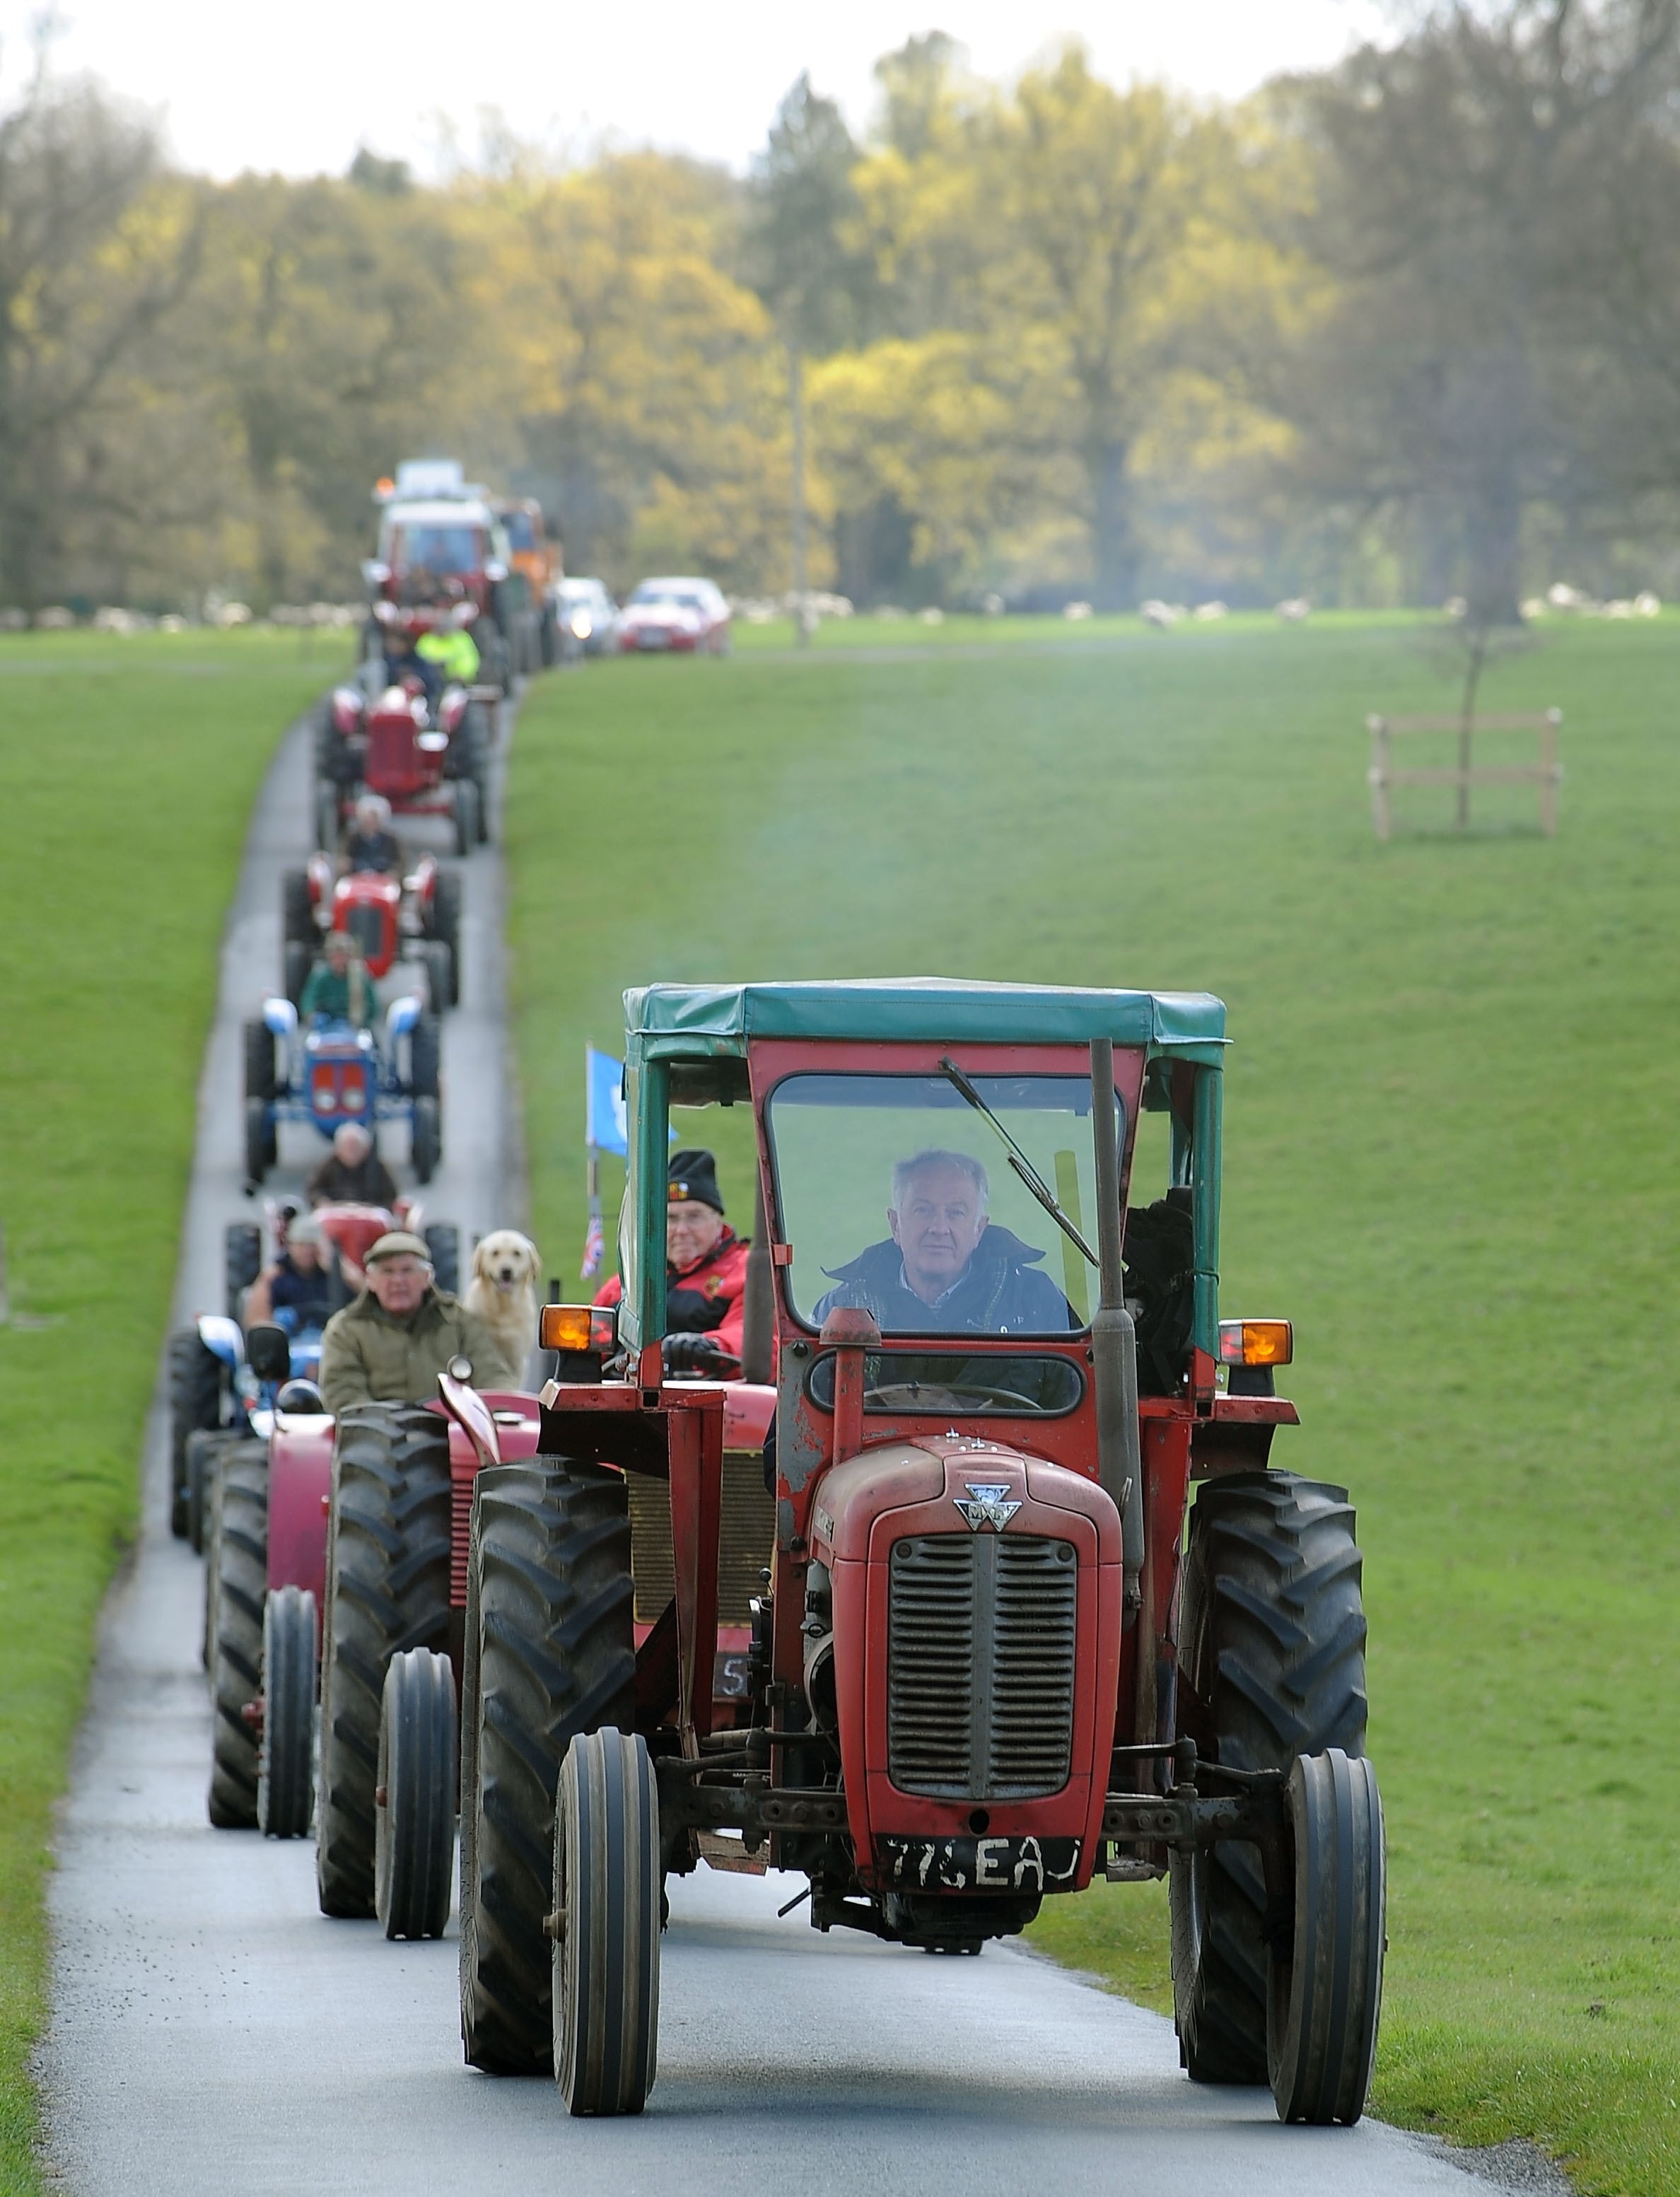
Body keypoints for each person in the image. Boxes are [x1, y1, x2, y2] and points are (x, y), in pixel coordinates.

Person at [814, 1148, 1075, 1335]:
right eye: (923, 1210)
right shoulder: (841, 1309)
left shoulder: (1036, 1301)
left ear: (979, 1230)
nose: (939, 1228)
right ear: (895, 1224)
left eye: (956, 1213)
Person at [319, 1230, 518, 1416]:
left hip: (452, 1437)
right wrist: (382, 1426)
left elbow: (493, 1375)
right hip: (376, 1440)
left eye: (407, 1270)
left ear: (427, 1278)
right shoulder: (346, 1329)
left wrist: (499, 1414)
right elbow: (343, 1393)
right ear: (370, 1280)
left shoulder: (458, 1321)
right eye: (387, 1271)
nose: (398, 1281)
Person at [593, 1148, 749, 1374]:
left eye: (694, 1216)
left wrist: (711, 1345)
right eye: (671, 1218)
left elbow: (756, 1338)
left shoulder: (746, 1274)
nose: (681, 1230)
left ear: (718, 1222)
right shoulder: (626, 1284)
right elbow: (591, 1342)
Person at [245, 1213, 332, 1331]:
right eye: (301, 1245)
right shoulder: (276, 1275)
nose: (307, 1251)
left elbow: (360, 1301)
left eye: (312, 1245)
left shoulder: (331, 1275)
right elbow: (256, 1323)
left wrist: (337, 1267)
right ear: (290, 1245)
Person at [307, 1121, 399, 1210]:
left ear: (365, 1149)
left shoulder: (377, 1168)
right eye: (347, 1148)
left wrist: (373, 1207)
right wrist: (322, 1202)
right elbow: (314, 1191)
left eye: (356, 1147)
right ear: (338, 1149)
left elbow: (391, 1197)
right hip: (335, 1215)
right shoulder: (328, 1166)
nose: (351, 1152)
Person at [299, 931, 375, 1026]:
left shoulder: (359, 977)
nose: (340, 961)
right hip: (327, 1025)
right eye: (336, 957)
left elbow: (373, 1006)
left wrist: (364, 1019)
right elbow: (308, 1001)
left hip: (353, 1026)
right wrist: (312, 1016)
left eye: (344, 957)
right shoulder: (321, 976)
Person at [342, 793, 402, 875]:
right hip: (357, 878)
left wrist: (393, 873)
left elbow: (399, 864)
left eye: (374, 819)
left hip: (383, 879)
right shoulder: (353, 838)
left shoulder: (391, 840)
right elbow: (344, 859)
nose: (370, 823)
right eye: (367, 819)